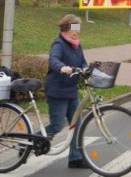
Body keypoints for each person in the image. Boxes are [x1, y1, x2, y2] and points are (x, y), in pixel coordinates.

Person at [44, 14, 89, 169]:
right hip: (57, 91)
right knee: (56, 126)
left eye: (78, 28)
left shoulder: (76, 45)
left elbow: (82, 61)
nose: (77, 32)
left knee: (76, 124)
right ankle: (31, 140)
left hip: (71, 90)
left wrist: (86, 68)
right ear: (66, 28)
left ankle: (75, 158)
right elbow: (53, 60)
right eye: (74, 28)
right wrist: (62, 67)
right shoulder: (59, 44)